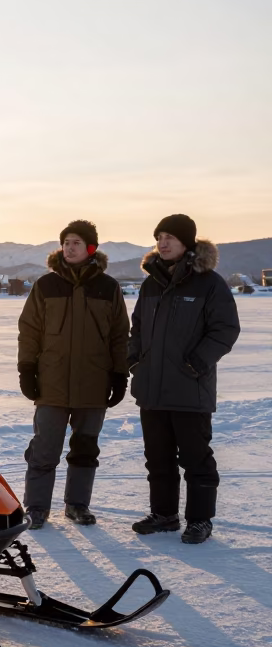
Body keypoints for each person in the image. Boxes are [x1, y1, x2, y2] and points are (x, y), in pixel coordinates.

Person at [128, 214, 240, 544]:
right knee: (157, 457)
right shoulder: (151, 283)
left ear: (187, 243)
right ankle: (164, 515)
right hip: (152, 388)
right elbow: (137, 328)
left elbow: (225, 329)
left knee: (195, 458)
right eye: (159, 237)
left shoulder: (209, 283)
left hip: (190, 387)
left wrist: (197, 362)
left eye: (170, 237)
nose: (162, 243)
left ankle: (200, 520)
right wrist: (136, 360)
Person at [17, 220, 130, 530]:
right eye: (66, 241)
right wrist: (27, 368)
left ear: (90, 248)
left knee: (84, 449)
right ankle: (37, 507)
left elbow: (120, 334)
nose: (70, 247)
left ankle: (77, 505)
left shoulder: (108, 288)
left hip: (94, 383)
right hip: (51, 382)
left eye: (77, 242)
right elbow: (29, 331)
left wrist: (120, 374)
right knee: (44, 448)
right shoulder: (46, 285)